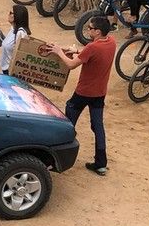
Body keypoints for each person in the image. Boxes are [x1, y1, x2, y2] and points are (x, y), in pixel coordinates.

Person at [42, 15, 116, 176]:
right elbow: (91, 56)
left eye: (90, 28)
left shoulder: (92, 48)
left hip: (84, 92)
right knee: (98, 126)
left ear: (97, 31)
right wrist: (77, 51)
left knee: (68, 123)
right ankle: (101, 163)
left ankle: (55, 158)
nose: (87, 30)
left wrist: (59, 51)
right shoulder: (111, 42)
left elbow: (71, 64)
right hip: (100, 92)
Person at [0, 4, 30, 74]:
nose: (9, 14)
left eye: (11, 13)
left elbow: (22, 56)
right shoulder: (13, 29)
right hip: (6, 69)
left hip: (12, 71)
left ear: (17, 16)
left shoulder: (21, 33)